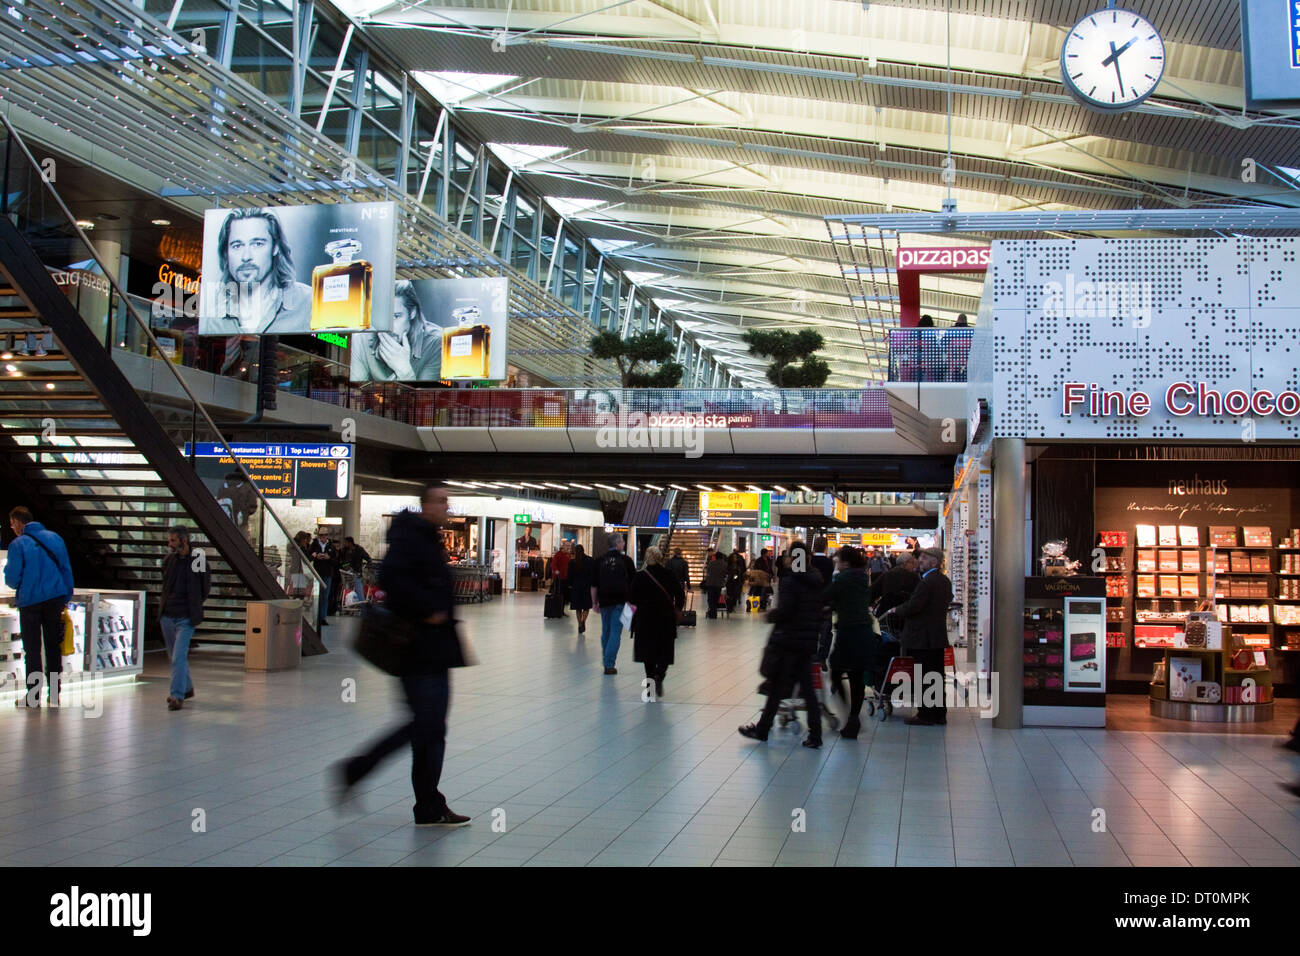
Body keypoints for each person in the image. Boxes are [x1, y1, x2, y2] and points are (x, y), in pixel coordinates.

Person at [337, 484, 471, 827]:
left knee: (431, 729)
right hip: (417, 648)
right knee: (424, 725)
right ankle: (358, 768)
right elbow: (390, 577)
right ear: (425, 504)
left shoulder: (426, 537)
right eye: (441, 501)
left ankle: (428, 805)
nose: (447, 506)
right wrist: (427, 610)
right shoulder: (412, 537)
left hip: (435, 648)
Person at [739, 541, 825, 748]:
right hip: (807, 641)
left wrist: (770, 616)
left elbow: (787, 611)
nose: (785, 559)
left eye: (787, 555)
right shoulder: (816, 579)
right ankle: (815, 734)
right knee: (807, 690)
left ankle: (762, 729)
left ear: (794, 559)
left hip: (789, 641)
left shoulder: (791, 580)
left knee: (777, 688)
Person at [5, 507, 74, 707]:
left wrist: (20, 584)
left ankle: (33, 696)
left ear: (18, 522)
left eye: (12, 524)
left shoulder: (18, 544)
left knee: (33, 650)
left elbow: (11, 578)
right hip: (55, 600)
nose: (12, 528)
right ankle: (54, 695)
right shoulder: (55, 538)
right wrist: (65, 596)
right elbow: (65, 569)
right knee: (53, 647)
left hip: (30, 602)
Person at [206, 207, 312, 338]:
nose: (246, 256)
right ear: (226, 252)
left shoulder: (308, 302)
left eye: (257, 244)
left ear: (275, 247)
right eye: (237, 246)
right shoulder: (212, 316)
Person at [820, 547, 877, 740]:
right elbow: (852, 600)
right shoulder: (862, 577)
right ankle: (853, 717)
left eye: (837, 561)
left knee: (835, 673)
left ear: (845, 562)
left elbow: (826, 595)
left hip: (848, 632)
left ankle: (850, 716)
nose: (836, 565)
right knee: (857, 677)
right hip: (864, 632)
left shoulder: (842, 578)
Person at [893, 547, 953, 726]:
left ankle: (926, 714)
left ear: (934, 562)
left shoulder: (927, 582)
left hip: (922, 637)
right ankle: (939, 713)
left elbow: (914, 606)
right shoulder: (943, 581)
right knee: (936, 675)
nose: (920, 561)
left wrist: (898, 610)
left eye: (925, 558)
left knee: (924, 676)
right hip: (936, 636)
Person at [159, 525, 210, 712]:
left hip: (186, 617)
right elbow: (165, 585)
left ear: (184, 540)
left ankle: (177, 695)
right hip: (168, 615)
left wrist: (194, 604)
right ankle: (187, 688)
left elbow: (205, 587)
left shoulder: (198, 559)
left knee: (178, 656)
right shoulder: (169, 561)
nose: (170, 544)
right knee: (175, 657)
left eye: (173, 540)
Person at [350, 281, 440, 382]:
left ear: (412, 313)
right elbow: (355, 392)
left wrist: (404, 371)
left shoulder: (436, 342)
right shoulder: (362, 336)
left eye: (395, 316)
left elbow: (425, 397)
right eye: (382, 316)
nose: (388, 327)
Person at [630, 547, 684, 698]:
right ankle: (660, 675)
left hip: (645, 620)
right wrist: (677, 608)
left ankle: (650, 685)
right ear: (660, 558)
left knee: (648, 654)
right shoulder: (669, 575)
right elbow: (680, 595)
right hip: (665, 619)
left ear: (647, 558)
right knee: (665, 651)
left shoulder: (640, 576)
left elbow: (632, 599)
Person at [593, 533, 636, 674]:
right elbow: (633, 582)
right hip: (620, 601)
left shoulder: (600, 561)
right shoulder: (626, 560)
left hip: (604, 601)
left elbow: (594, 585)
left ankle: (607, 660)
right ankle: (609, 664)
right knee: (615, 633)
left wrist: (594, 602)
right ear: (617, 544)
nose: (623, 544)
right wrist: (633, 601)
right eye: (622, 542)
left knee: (605, 631)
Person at [871, 552, 921, 628]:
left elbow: (873, 592)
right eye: (912, 563)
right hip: (905, 616)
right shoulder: (914, 577)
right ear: (905, 563)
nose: (914, 565)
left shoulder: (887, 574)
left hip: (886, 614)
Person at [309, 529, 338, 627]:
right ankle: (316, 616)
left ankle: (323, 617)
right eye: (321, 535)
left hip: (327, 573)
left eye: (324, 535)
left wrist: (328, 558)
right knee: (317, 595)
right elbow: (308, 556)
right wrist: (315, 556)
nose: (322, 538)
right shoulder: (314, 545)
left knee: (325, 596)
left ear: (327, 535)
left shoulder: (331, 546)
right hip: (317, 572)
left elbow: (335, 561)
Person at [566, 544, 595, 635]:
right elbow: (592, 574)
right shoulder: (590, 560)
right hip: (586, 586)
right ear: (584, 550)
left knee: (578, 608)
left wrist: (570, 585)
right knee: (586, 607)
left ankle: (579, 625)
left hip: (576, 587)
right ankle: (583, 621)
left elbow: (569, 576)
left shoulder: (572, 562)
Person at [340, 536, 371, 605]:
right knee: (348, 589)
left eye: (346, 542)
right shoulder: (344, 550)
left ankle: (362, 605)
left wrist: (367, 566)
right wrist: (345, 567)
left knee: (358, 589)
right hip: (347, 572)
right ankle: (349, 604)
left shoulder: (359, 550)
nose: (344, 544)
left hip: (356, 572)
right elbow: (342, 561)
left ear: (350, 543)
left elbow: (368, 558)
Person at [703, 551, 728, 619]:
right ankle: (713, 612)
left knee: (711, 599)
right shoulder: (725, 564)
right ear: (722, 557)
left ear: (716, 557)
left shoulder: (711, 563)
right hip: (719, 584)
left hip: (710, 583)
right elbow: (726, 573)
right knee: (716, 598)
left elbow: (708, 571)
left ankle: (713, 613)